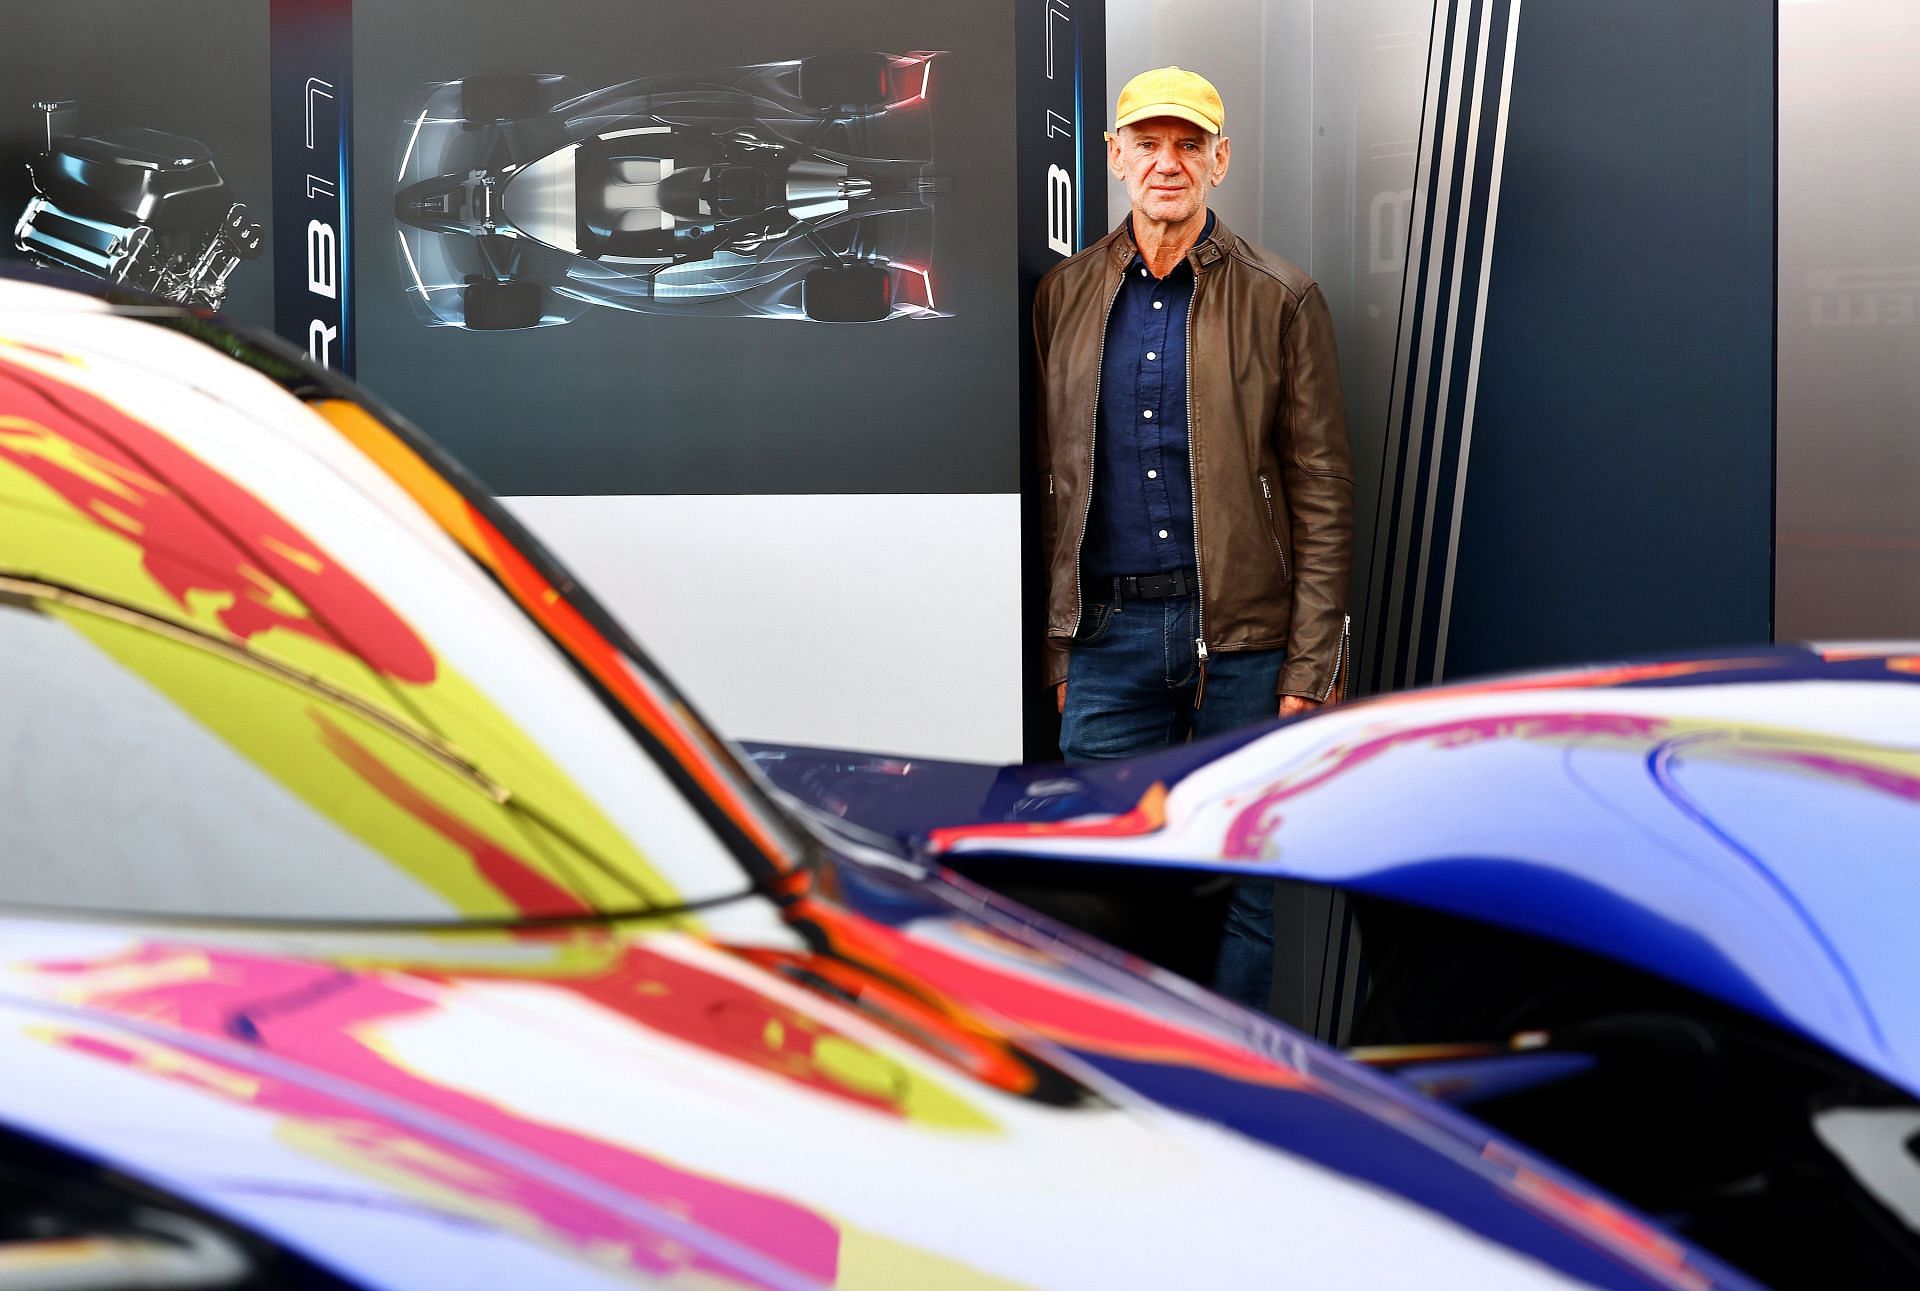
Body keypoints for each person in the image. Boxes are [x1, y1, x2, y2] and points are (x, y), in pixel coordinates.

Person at [1032, 66, 1354, 1010]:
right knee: (1106, 889)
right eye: (1147, 143)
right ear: (1115, 157)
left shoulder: (1282, 297)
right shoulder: (1065, 296)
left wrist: (1311, 665)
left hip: (1245, 645)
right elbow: (1056, 489)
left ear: (1220, 160)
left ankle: (1233, 1102)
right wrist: (1060, 642)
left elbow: (1324, 494)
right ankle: (1141, 1095)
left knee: (1248, 895)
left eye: (1188, 144)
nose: (1166, 163)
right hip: (1107, 643)